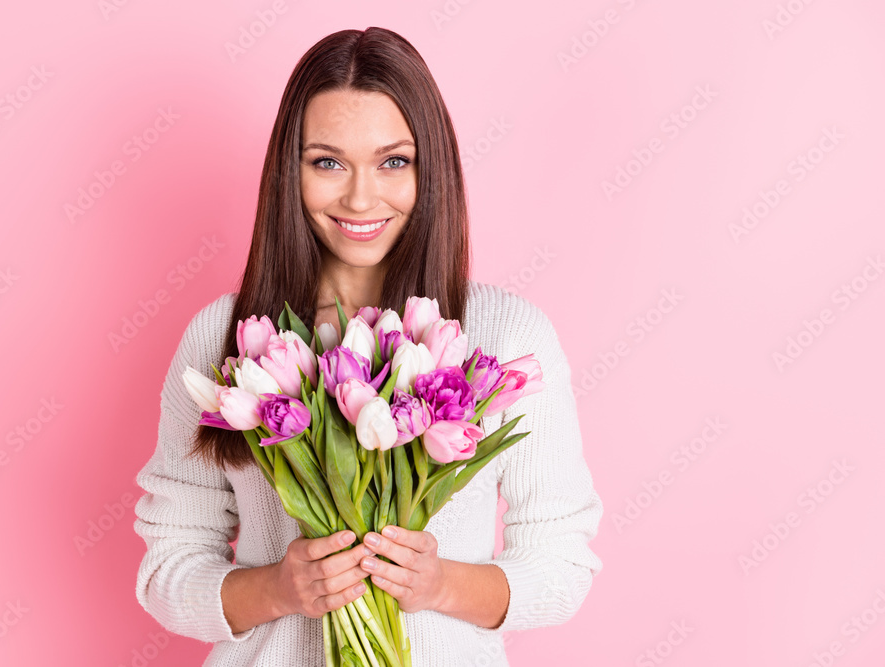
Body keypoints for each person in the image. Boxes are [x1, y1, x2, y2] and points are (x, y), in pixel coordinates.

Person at [133, 27, 604, 666]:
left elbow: (562, 561)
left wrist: (441, 584)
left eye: (393, 161)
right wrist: (277, 589)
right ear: (288, 170)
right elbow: (168, 566)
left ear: (429, 168)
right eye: (327, 162)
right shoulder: (229, 339)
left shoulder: (504, 337)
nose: (360, 196)